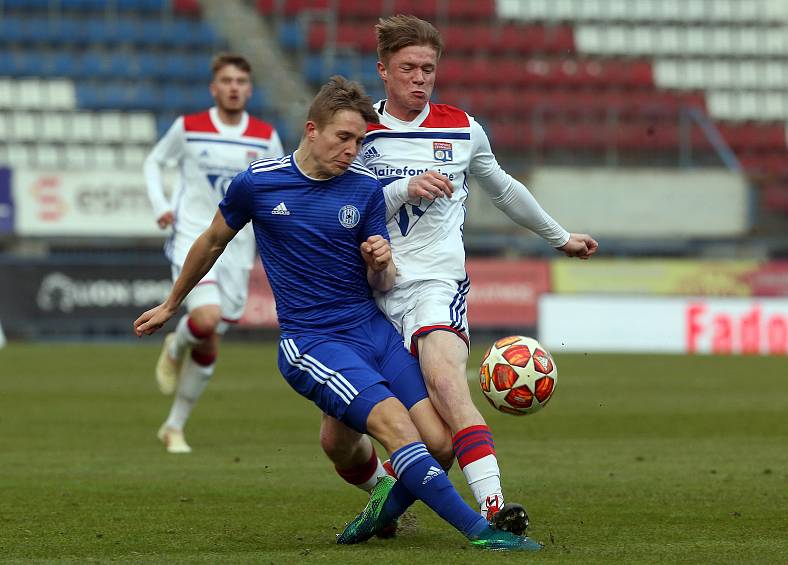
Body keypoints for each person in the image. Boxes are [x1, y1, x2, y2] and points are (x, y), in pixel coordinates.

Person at [133, 76, 540, 551]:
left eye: (359, 141)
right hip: (314, 340)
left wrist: (380, 263)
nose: (351, 150)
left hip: (372, 329)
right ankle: (480, 532)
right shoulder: (258, 184)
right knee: (397, 428)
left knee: (441, 441)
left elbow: (380, 284)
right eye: (342, 138)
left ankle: (379, 512)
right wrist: (172, 303)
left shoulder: (364, 189)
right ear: (312, 130)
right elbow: (211, 241)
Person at [319, 15, 599, 534]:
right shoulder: (361, 130)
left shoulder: (462, 128)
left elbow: (504, 188)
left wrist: (560, 237)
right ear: (383, 70)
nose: (420, 78)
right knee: (336, 439)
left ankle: (494, 508)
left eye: (428, 68)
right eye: (408, 68)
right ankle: (382, 496)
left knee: (447, 384)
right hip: (366, 292)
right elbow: (332, 201)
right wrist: (403, 188)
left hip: (434, 283)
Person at [143, 53, 284, 453]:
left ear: (250, 89)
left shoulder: (264, 137)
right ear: (214, 87)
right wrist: (160, 205)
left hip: (238, 248)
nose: (234, 87)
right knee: (205, 319)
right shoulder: (189, 128)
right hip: (193, 237)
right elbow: (154, 163)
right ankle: (175, 343)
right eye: (227, 80)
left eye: (241, 80)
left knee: (210, 339)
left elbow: (272, 188)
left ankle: (173, 426)